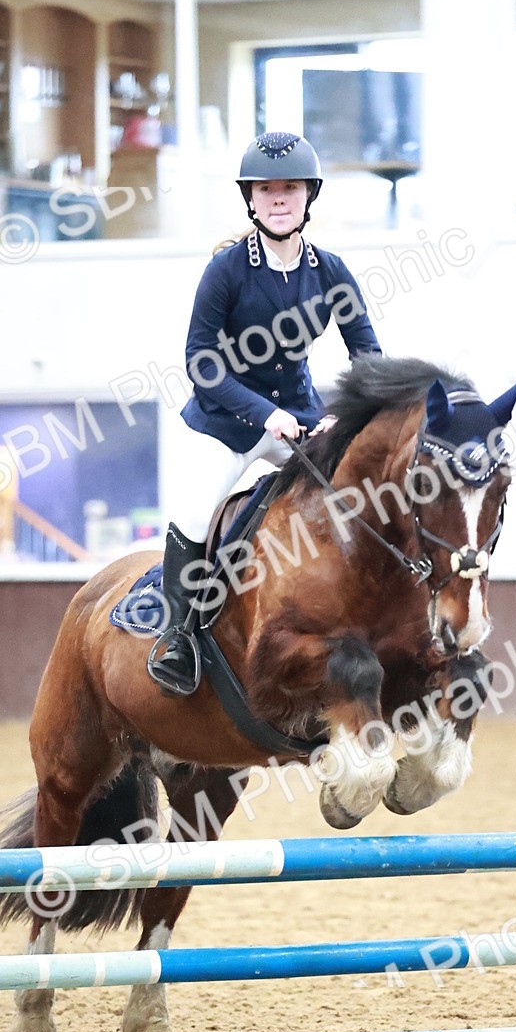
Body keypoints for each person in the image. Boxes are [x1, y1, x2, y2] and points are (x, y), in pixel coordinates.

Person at [148, 131, 382, 696]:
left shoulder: (330, 271)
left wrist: (340, 419)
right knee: (196, 511)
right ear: (251, 199)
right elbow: (200, 362)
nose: (279, 198)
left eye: (290, 188)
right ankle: (178, 637)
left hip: (301, 418)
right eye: (267, 189)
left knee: (355, 499)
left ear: (309, 197)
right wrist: (261, 414)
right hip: (226, 422)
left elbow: (368, 354)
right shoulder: (227, 270)